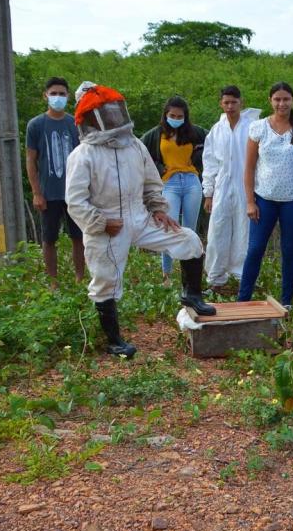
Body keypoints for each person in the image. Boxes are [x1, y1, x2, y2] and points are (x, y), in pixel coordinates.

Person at [66, 82, 215, 358]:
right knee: (106, 281)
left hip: (140, 216)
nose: (114, 117)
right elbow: (75, 201)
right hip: (107, 226)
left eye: (114, 110)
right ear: (91, 117)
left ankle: (191, 295)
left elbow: (151, 181)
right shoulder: (83, 155)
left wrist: (158, 208)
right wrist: (100, 223)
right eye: (105, 112)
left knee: (189, 239)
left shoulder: (133, 145)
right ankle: (113, 340)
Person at [238, 82, 293, 307]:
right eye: (277, 99)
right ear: (270, 101)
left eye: (286, 99)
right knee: (255, 248)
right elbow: (249, 167)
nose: (281, 103)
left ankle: (287, 301)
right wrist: (250, 202)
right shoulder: (258, 128)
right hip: (264, 198)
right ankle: (243, 299)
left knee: (289, 248)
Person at [140, 96, 208, 283]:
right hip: (169, 182)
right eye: (172, 115)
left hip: (191, 181)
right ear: (165, 115)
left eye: (180, 116)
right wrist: (157, 169)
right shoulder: (156, 134)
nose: (176, 119)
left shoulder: (195, 132)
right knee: (168, 228)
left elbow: (214, 139)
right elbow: (140, 149)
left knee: (190, 229)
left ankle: (189, 275)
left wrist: (199, 156)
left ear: (185, 117)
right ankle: (167, 274)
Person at [25, 76, 85, 283]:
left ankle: (80, 278)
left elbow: (86, 157)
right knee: (49, 239)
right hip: (48, 193)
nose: (57, 97)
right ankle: (53, 281)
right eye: (54, 93)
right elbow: (31, 160)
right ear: (46, 96)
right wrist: (36, 193)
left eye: (61, 94)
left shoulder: (75, 123)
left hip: (75, 192)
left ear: (68, 96)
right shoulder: (36, 125)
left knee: (79, 237)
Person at [201, 85, 261, 291]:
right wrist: (208, 193)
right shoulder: (216, 130)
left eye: (233, 102)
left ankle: (243, 279)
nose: (230, 106)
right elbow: (210, 162)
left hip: (247, 185)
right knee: (218, 231)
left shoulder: (253, 126)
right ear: (221, 103)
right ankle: (216, 279)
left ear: (240, 102)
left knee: (245, 231)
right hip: (222, 187)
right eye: (226, 102)